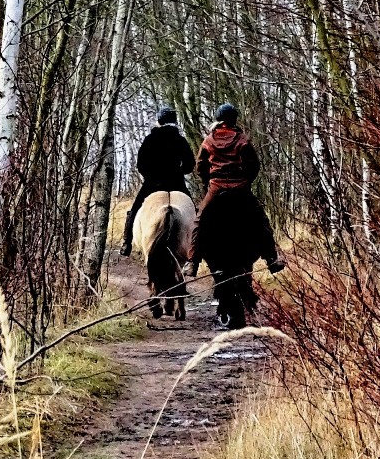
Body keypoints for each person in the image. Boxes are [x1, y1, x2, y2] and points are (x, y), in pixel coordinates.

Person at [188, 103, 285, 327]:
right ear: (233, 119)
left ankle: (192, 261)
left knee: (199, 221)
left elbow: (200, 166)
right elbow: (254, 165)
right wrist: (245, 181)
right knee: (261, 221)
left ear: (218, 118)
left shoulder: (208, 140)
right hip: (241, 189)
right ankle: (271, 258)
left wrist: (210, 181)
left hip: (216, 189)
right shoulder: (242, 140)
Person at [122, 107, 197, 257]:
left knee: (135, 209)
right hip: (177, 184)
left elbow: (141, 164)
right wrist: (177, 172)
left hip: (153, 184)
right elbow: (190, 164)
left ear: (159, 121)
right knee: (194, 213)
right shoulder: (180, 140)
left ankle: (127, 242)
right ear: (174, 121)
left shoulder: (150, 139)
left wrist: (151, 176)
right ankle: (196, 250)